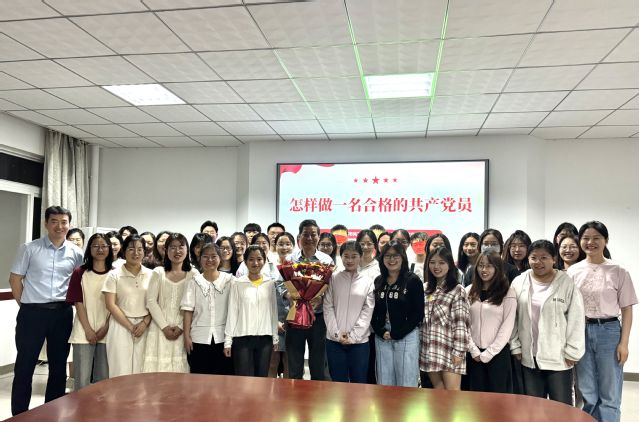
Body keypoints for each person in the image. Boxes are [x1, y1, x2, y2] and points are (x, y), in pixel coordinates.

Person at [9, 206, 83, 415]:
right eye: (54, 221)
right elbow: (15, 279)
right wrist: (26, 306)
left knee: (58, 366)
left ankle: (53, 413)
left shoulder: (76, 253)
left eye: (64, 222)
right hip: (32, 313)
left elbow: (79, 283)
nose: (59, 226)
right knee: (25, 365)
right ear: (46, 223)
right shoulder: (29, 248)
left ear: (69, 224)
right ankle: (20, 414)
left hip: (62, 313)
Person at [568, 221, 637, 422]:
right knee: (586, 390)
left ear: (606, 240)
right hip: (580, 331)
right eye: (586, 238)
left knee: (610, 391)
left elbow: (627, 309)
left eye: (596, 238)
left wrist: (624, 343)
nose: (591, 242)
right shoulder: (573, 271)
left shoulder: (618, 270)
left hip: (609, 331)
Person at [510, 240, 585, 405]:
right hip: (529, 357)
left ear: (554, 259)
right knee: (534, 407)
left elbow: (576, 318)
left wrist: (573, 351)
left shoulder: (566, 283)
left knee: (561, 407)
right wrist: (515, 345)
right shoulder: (519, 282)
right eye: (534, 257)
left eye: (544, 257)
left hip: (558, 357)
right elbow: (512, 317)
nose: (538, 262)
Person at [285, 219, 334, 381]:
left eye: (313, 234)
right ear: (299, 236)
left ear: (319, 237)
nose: (310, 238)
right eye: (306, 234)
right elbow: (280, 284)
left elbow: (331, 287)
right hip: (295, 316)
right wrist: (288, 295)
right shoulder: (290, 260)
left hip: (318, 318)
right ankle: (294, 395)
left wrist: (321, 298)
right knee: (294, 363)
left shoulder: (326, 261)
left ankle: (318, 395)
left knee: (318, 364)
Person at [371, 241, 424, 387]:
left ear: (403, 257)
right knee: (384, 381)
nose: (391, 259)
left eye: (396, 255)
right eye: (387, 256)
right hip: (383, 337)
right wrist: (380, 331)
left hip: (406, 335)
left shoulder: (412, 280)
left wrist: (398, 332)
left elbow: (418, 313)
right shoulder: (379, 281)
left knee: (406, 382)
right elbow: (373, 310)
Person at [66, 233, 113, 390]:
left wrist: (105, 328)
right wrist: (88, 330)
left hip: (107, 332)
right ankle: (81, 407)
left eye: (104, 246)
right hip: (83, 332)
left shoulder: (115, 274)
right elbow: (78, 302)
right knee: (82, 381)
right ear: (89, 249)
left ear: (109, 249)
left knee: (103, 379)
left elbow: (116, 305)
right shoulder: (79, 272)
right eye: (95, 246)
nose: (100, 249)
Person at [142, 233, 196, 373]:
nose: (177, 251)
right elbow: (151, 301)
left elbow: (194, 305)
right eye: (172, 247)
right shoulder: (158, 272)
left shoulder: (193, 274)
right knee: (157, 373)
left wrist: (181, 327)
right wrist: (165, 327)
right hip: (159, 329)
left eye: (181, 247)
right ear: (166, 250)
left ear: (187, 249)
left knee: (180, 372)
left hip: (183, 330)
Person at [102, 235, 154, 377]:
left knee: (142, 370)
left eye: (139, 249)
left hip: (145, 326)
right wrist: (130, 326)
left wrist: (145, 323)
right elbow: (110, 304)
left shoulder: (152, 275)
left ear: (144, 252)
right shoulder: (114, 275)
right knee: (119, 369)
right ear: (124, 251)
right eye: (131, 249)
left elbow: (156, 303)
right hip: (120, 325)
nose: (136, 253)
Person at [323, 241, 375, 383]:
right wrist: (337, 334)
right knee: (338, 383)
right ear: (341, 257)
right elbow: (328, 307)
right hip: (334, 341)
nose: (350, 260)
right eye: (346, 256)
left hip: (360, 342)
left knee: (359, 383)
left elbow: (367, 311)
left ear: (360, 257)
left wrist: (353, 336)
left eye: (354, 256)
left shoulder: (368, 282)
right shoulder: (333, 278)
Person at [466, 250, 516, 393]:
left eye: (489, 266)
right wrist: (473, 350)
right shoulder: (468, 291)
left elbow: (507, 326)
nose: (484, 270)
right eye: (481, 265)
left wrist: (489, 353)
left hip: (498, 355)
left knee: (498, 400)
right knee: (475, 399)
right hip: (473, 355)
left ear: (497, 268)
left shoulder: (508, 292)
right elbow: (464, 324)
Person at [224, 245, 279, 377]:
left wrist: (275, 337)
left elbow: (273, 311)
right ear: (245, 261)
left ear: (264, 261)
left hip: (265, 338)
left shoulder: (270, 283)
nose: (255, 263)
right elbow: (232, 312)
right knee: (244, 380)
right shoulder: (237, 283)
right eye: (251, 259)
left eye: (259, 259)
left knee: (261, 378)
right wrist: (228, 341)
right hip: (242, 338)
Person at [421, 247, 470, 390]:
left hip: (449, 349)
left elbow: (461, 323)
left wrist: (459, 351)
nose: (436, 266)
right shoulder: (425, 288)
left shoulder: (457, 289)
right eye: (432, 262)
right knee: (438, 392)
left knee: (452, 394)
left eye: (441, 262)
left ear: (450, 265)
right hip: (429, 349)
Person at [181, 243, 235, 375]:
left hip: (224, 338)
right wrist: (186, 336)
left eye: (213, 256)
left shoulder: (230, 281)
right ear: (199, 259)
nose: (209, 260)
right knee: (199, 379)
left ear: (220, 258)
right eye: (205, 256)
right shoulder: (194, 282)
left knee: (223, 379)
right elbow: (188, 311)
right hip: (198, 338)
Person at [268, 232, 295, 378]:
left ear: (293, 246)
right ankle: (268, 390)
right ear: (275, 246)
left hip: (293, 318)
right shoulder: (268, 266)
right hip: (273, 317)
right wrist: (274, 321)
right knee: (273, 360)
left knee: (289, 360)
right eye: (280, 244)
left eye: (288, 244)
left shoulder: (298, 266)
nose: (284, 247)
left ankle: (289, 391)